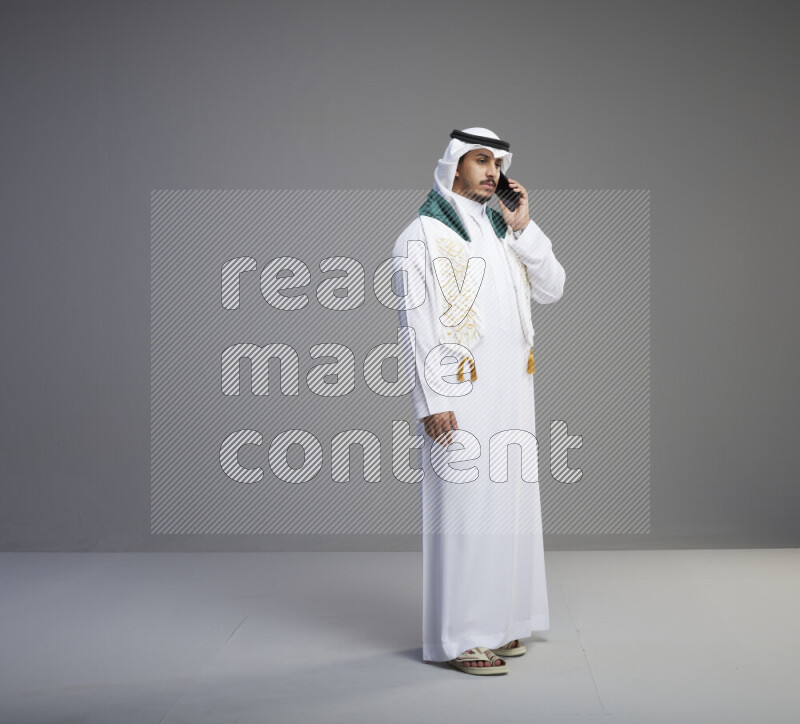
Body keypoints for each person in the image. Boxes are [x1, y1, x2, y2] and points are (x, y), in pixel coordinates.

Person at [391, 127, 566, 675]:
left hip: (512, 391)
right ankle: (462, 635)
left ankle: (503, 623)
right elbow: (414, 325)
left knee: (509, 505)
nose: (491, 172)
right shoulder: (421, 235)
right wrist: (431, 399)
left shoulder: (503, 230)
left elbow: (554, 287)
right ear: (453, 166)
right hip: (460, 395)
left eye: (497, 162)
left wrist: (525, 227)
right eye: (480, 160)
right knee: (464, 509)